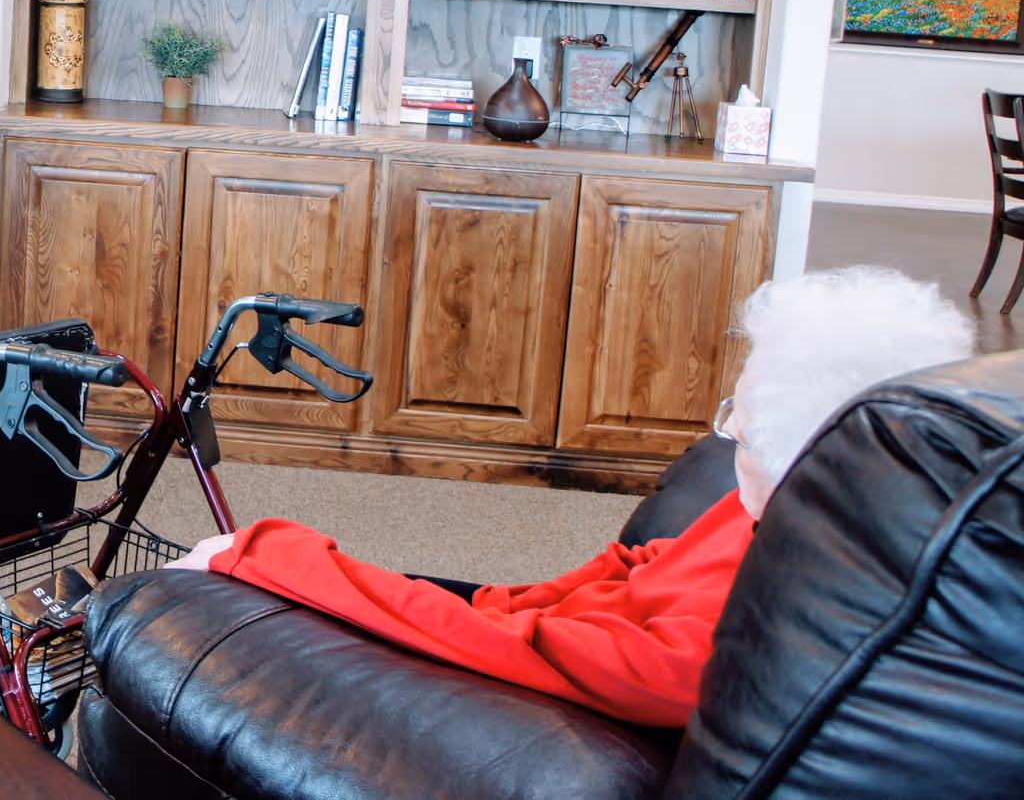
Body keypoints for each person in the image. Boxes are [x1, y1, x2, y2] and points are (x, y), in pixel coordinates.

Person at [165, 267, 974, 728]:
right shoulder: (801, 510)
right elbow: (622, 573)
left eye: (746, 422)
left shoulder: (722, 648)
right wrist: (492, 599)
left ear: (809, 450)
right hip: (531, 622)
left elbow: (530, 655)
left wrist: (270, 556)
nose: (726, 434)